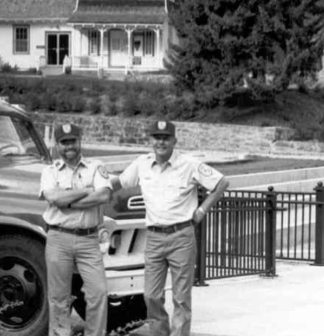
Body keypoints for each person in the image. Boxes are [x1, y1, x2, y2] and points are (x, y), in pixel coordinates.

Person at [110, 120, 229, 336]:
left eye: (166, 138)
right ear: (151, 140)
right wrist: (94, 182)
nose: (161, 142)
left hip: (181, 236)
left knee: (181, 298)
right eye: (157, 138)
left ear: (174, 140)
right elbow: (119, 183)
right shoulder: (142, 164)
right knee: (151, 296)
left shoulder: (189, 164)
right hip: (154, 238)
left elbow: (221, 183)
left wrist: (202, 210)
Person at [39, 123, 113, 336]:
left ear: (80, 141)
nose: (69, 146)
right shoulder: (50, 171)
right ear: (57, 145)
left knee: (98, 292)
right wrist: (87, 190)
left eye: (72, 141)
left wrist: (69, 202)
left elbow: (104, 195)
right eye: (64, 142)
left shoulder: (96, 166)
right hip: (58, 238)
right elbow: (53, 197)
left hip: (89, 240)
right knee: (58, 297)